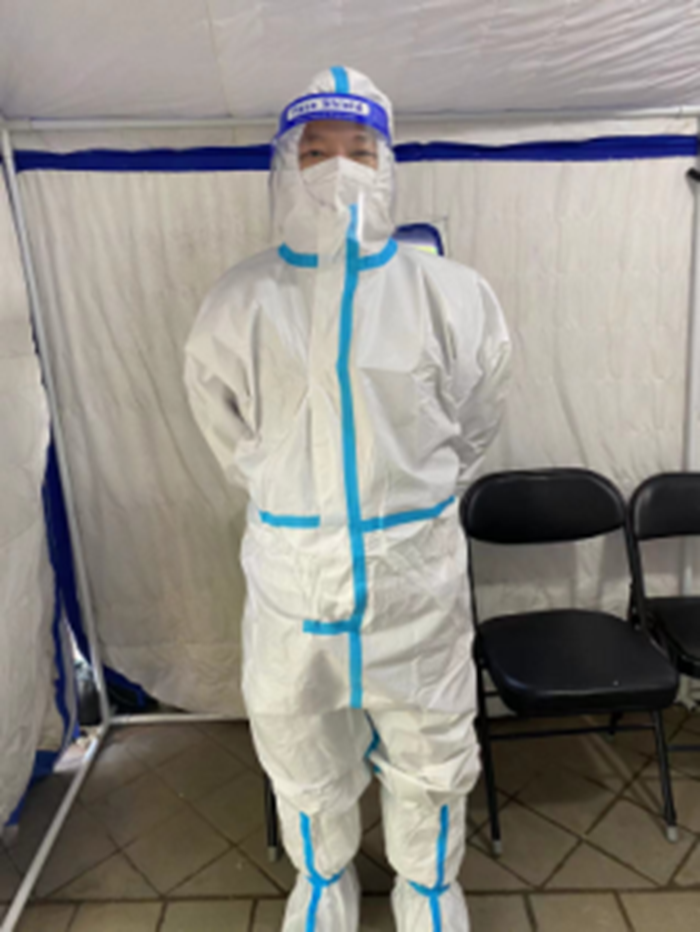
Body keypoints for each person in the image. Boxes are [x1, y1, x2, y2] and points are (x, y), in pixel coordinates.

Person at [184, 66, 510, 932]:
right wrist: (299, 511)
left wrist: (407, 505)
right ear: (283, 166)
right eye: (314, 151)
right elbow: (228, 434)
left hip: (413, 579)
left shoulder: (449, 296)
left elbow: (477, 418)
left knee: (431, 745)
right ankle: (324, 881)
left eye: (359, 151)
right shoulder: (240, 303)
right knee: (300, 740)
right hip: (295, 583)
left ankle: (427, 890)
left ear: (387, 164)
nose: (337, 169)